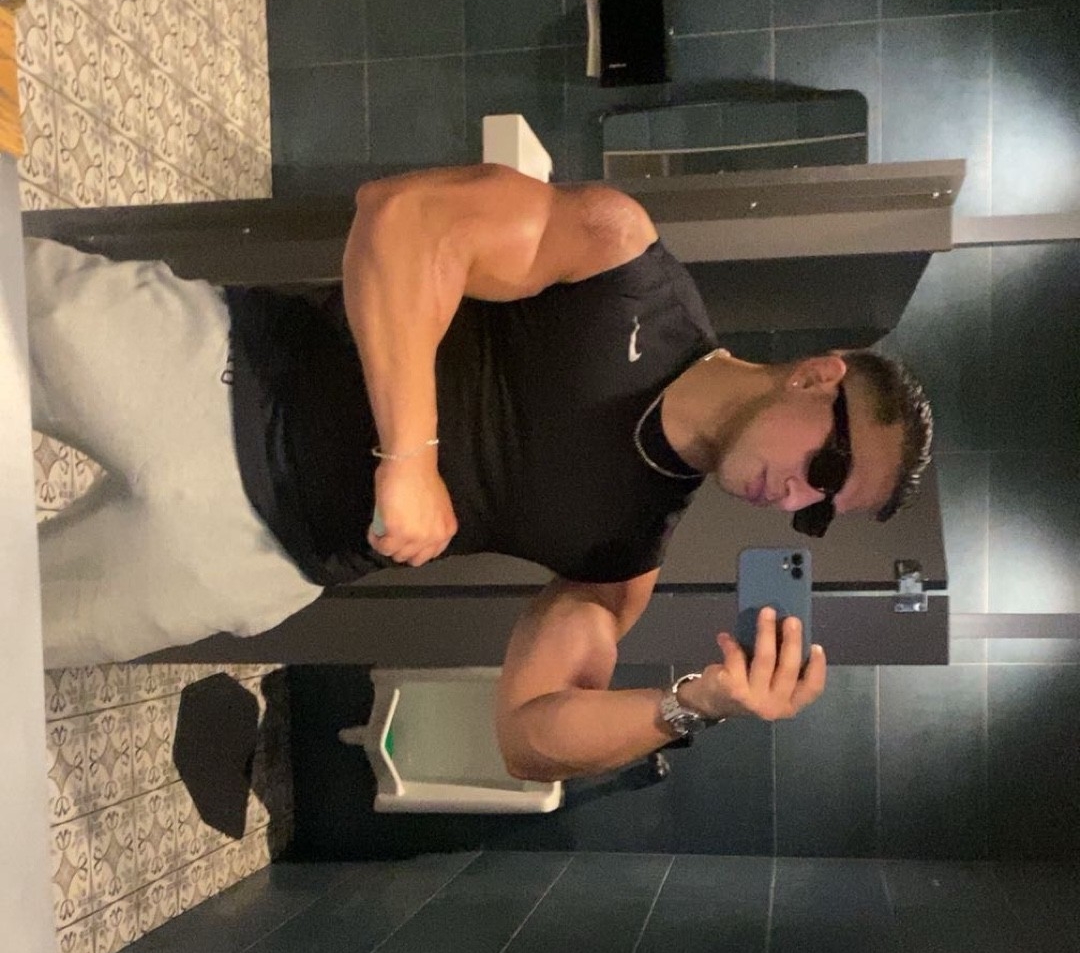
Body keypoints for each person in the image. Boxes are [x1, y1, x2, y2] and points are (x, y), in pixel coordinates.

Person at [25, 162, 932, 780]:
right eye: (829, 461)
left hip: (244, 562)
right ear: (818, 374)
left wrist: (695, 705)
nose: (799, 494)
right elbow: (400, 217)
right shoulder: (620, 262)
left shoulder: (624, 557)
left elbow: (527, 736)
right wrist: (409, 455)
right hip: (210, 369)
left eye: (821, 509)